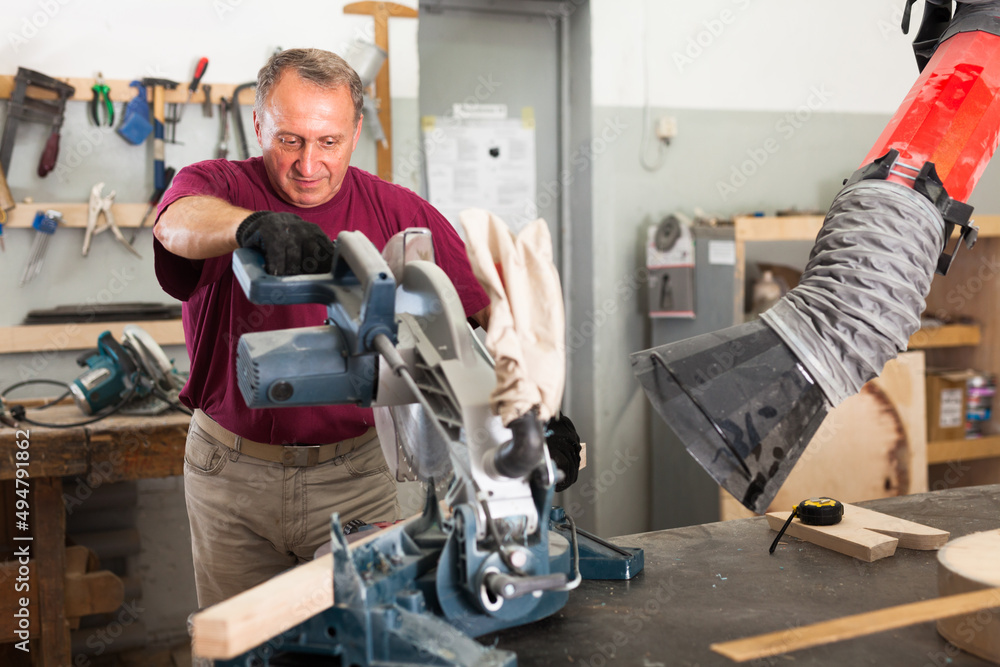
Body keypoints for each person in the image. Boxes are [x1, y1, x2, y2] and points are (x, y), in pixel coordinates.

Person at [152, 48, 495, 607]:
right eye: (289, 139)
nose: (309, 165)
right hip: (231, 474)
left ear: (356, 132)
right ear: (259, 124)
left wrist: (532, 413)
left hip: (356, 473)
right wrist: (249, 226)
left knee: (371, 638)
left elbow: (482, 324)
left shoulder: (401, 212)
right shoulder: (218, 186)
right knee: (237, 646)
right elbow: (176, 223)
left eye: (328, 142)